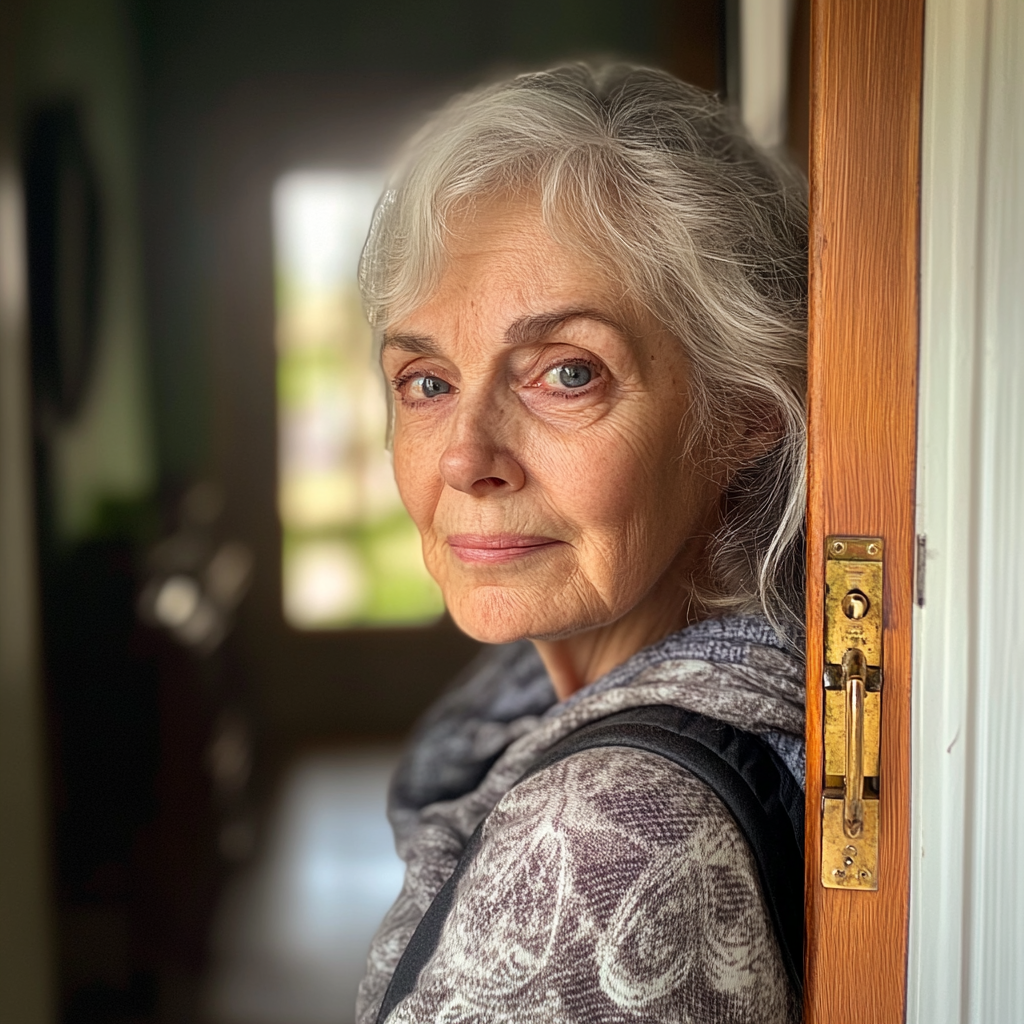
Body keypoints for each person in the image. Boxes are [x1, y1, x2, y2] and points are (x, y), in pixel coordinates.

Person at [355, 62, 808, 1024]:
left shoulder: (605, 842)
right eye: (426, 383)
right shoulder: (549, 711)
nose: (466, 459)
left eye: (567, 373)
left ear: (743, 414)